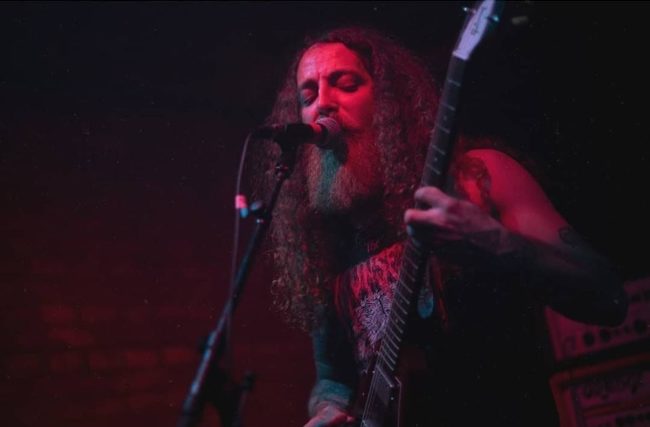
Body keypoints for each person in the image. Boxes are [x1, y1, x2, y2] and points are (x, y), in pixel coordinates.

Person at [253, 26, 628, 426]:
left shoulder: (476, 179)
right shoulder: (325, 240)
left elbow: (607, 296)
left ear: (388, 101)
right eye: (308, 96)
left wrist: (497, 243)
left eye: (346, 84)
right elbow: (331, 379)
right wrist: (327, 410)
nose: (323, 103)